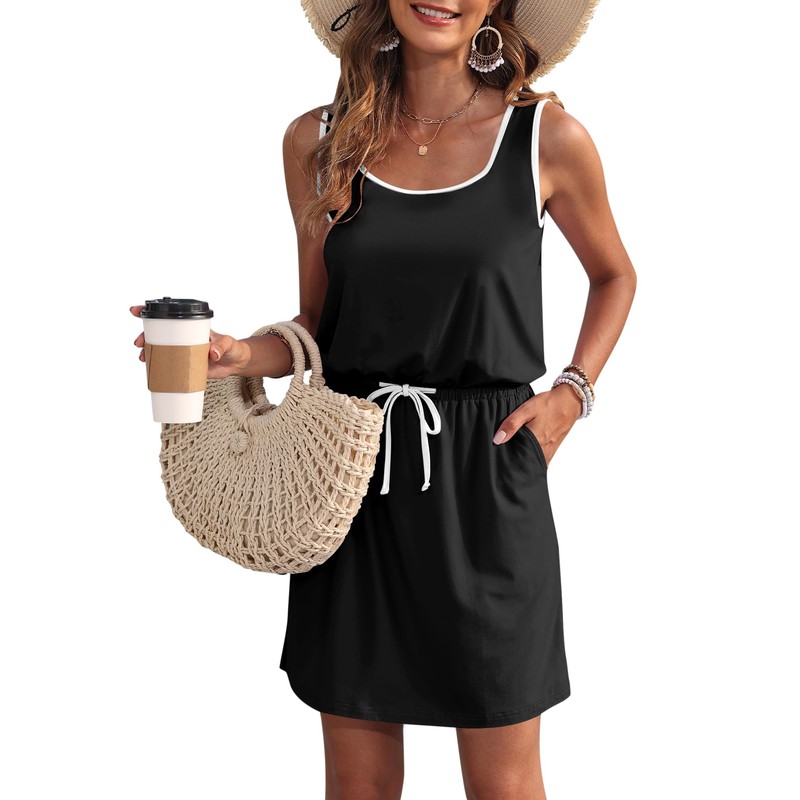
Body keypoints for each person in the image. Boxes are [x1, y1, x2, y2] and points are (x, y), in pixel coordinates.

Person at [132, 0, 636, 796]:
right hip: (352, 477)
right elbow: (317, 325)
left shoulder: (546, 139)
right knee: (358, 785)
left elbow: (615, 275)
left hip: (486, 482)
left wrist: (572, 394)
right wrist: (236, 355)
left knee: (504, 785)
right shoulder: (318, 141)